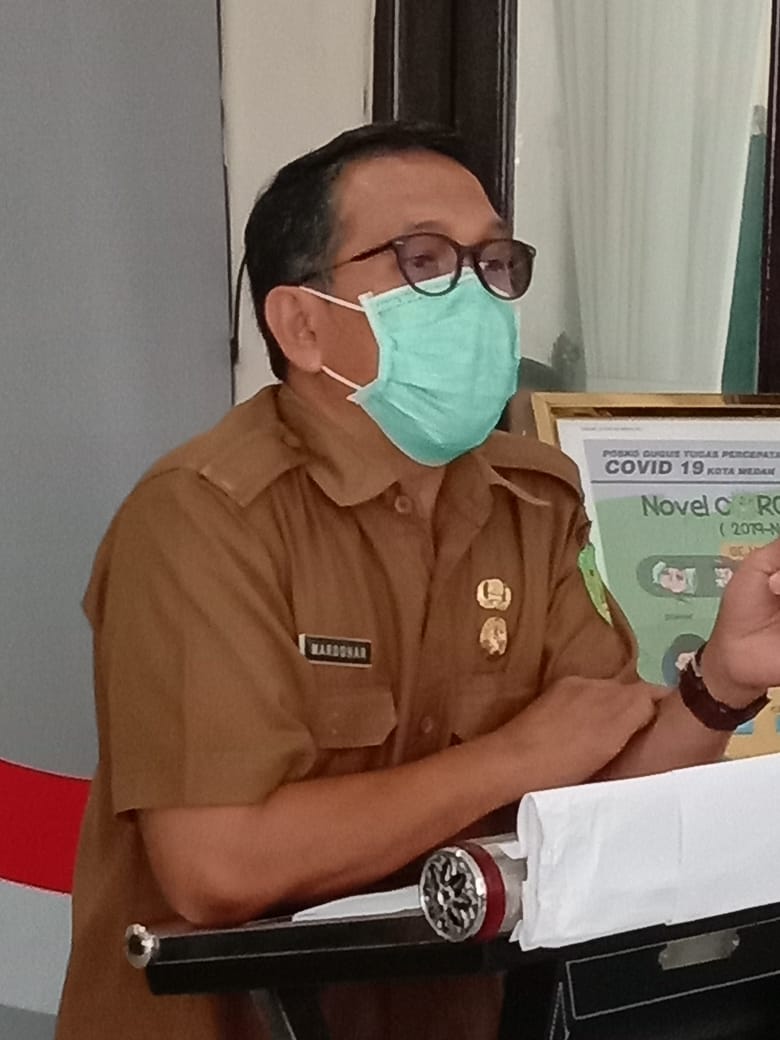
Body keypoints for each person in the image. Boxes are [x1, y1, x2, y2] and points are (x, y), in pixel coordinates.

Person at [56, 122, 780, 1040]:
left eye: (495, 264)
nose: (477, 298)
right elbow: (218, 865)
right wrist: (514, 758)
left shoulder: (535, 501)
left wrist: (722, 682)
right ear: (303, 324)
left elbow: (602, 795)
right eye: (425, 261)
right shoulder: (203, 518)